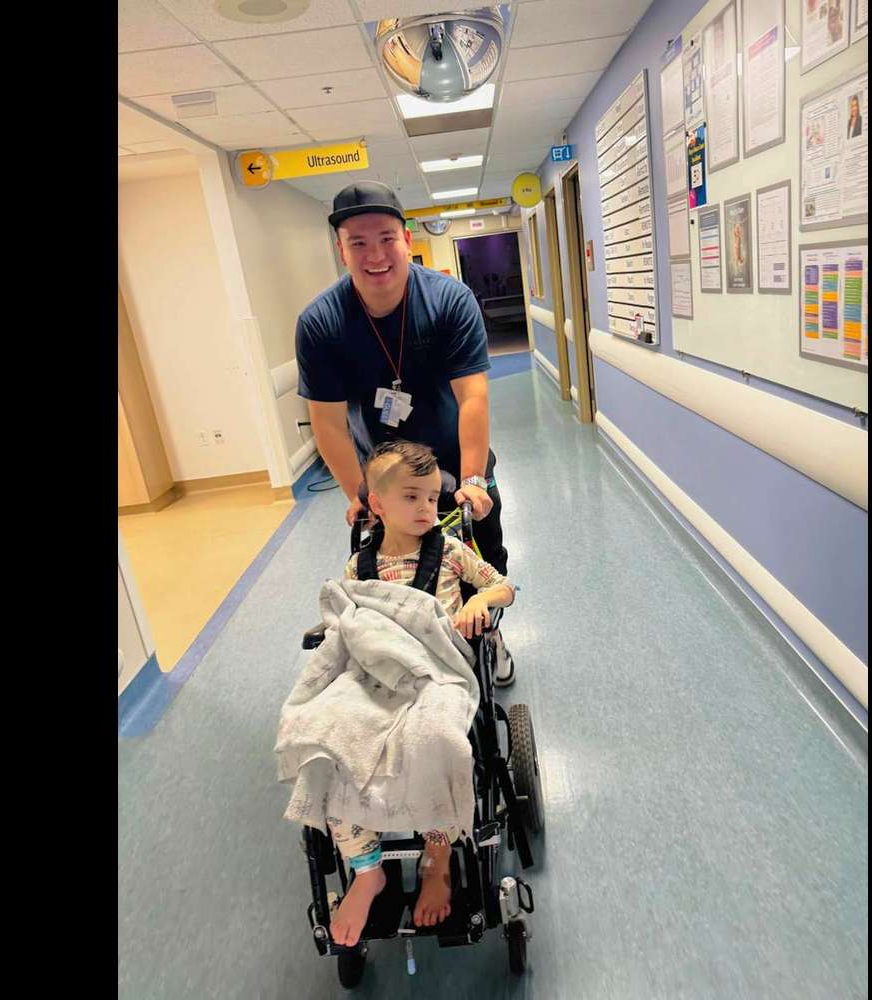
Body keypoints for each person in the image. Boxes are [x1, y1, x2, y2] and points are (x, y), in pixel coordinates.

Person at [296, 180, 516, 684]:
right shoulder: (321, 323)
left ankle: (488, 633)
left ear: (407, 239)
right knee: (396, 566)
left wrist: (473, 479)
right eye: (358, 242)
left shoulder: (448, 301)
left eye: (386, 238)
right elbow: (327, 422)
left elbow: (473, 398)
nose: (375, 255)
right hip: (388, 474)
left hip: (458, 460)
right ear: (340, 248)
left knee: (481, 553)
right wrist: (362, 491)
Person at [325, 440, 517, 946]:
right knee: (329, 746)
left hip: (440, 676)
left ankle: (438, 854)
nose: (427, 510)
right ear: (378, 506)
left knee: (435, 743)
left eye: (433, 498)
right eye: (413, 498)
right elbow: (343, 621)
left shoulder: (450, 552)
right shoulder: (359, 568)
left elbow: (503, 586)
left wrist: (480, 605)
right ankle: (367, 869)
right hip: (379, 678)